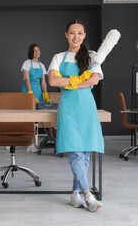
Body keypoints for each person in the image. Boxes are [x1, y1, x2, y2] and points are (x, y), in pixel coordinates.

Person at [48, 19, 104, 212]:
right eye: (72, 33)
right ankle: (88, 194)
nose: (76, 37)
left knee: (85, 151)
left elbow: (94, 80)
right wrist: (79, 79)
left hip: (86, 106)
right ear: (66, 35)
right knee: (74, 151)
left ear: (84, 35)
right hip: (68, 108)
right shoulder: (58, 57)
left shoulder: (92, 56)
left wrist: (70, 83)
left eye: (80, 33)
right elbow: (53, 81)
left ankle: (75, 195)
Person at [21, 43, 51, 153]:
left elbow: (43, 81)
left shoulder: (42, 66)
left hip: (38, 92)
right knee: (25, 118)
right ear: (31, 52)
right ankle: (13, 142)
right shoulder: (27, 63)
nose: (37, 52)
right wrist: (30, 92)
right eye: (35, 51)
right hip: (28, 91)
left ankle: (31, 143)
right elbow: (27, 79)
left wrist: (45, 94)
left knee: (34, 119)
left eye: (38, 50)